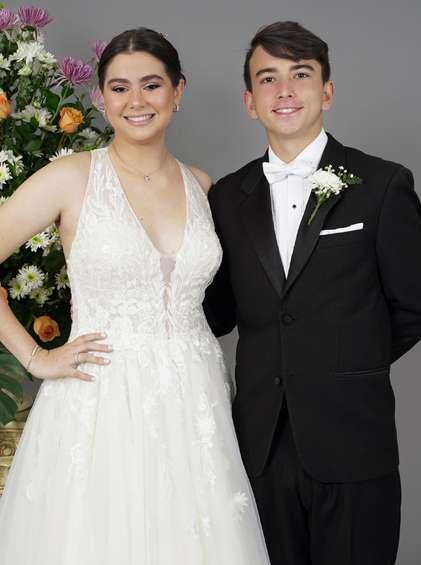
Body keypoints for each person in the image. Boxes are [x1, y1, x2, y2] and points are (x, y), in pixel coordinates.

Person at [0, 28, 270, 565]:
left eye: (152, 85)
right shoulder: (71, 177)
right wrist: (34, 357)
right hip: (100, 401)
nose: (136, 101)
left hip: (195, 404)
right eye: (119, 88)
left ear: (178, 91)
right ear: (100, 97)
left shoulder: (202, 185)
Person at [204, 20, 421, 565]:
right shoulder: (226, 197)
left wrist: (349, 358)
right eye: (268, 78)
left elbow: (415, 305)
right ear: (249, 101)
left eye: (300, 75)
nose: (285, 90)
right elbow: (219, 313)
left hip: (353, 439)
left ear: (326, 91)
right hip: (259, 446)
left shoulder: (383, 184)